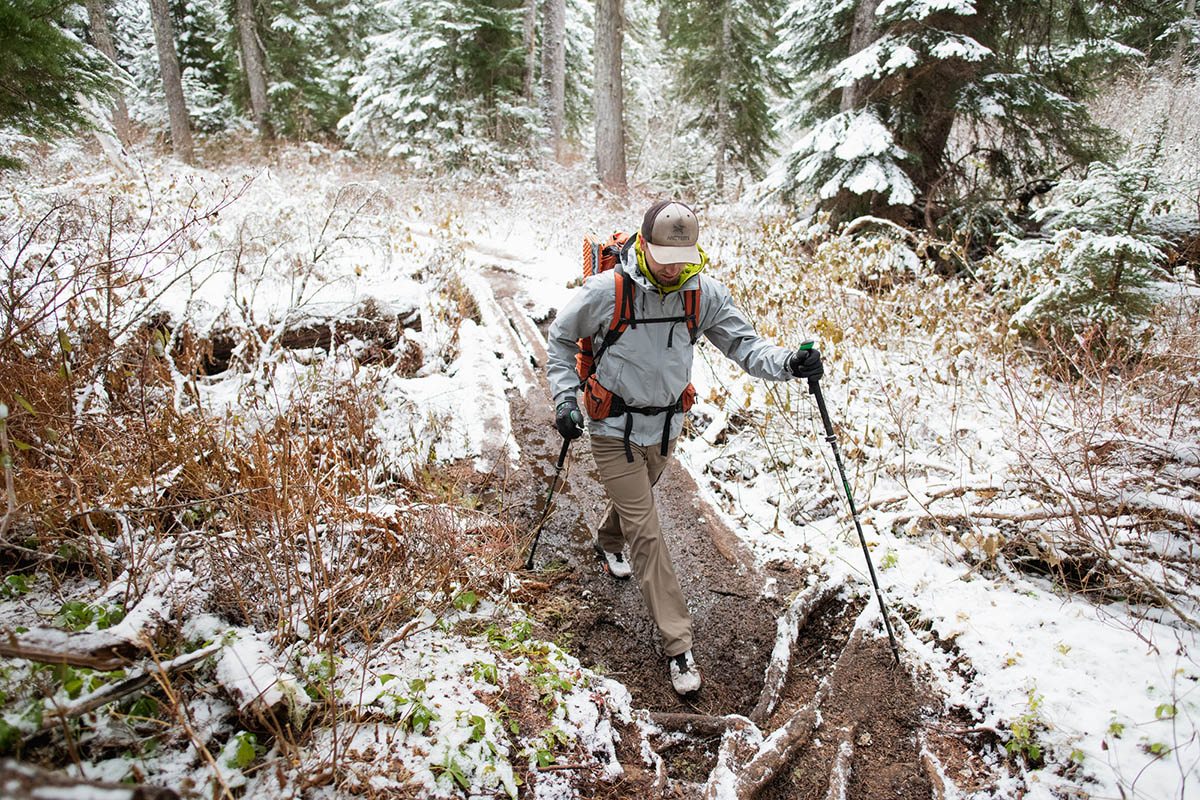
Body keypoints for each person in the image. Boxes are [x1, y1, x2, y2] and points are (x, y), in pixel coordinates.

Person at [544, 200, 823, 695]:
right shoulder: (606, 292)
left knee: (637, 503)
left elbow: (745, 346)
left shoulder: (702, 294)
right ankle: (679, 646)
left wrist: (788, 363)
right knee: (647, 533)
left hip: (667, 426)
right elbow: (561, 339)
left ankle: (607, 541)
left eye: (682, 258)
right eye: (664, 257)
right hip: (612, 426)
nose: (673, 269)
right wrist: (566, 398)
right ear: (644, 245)